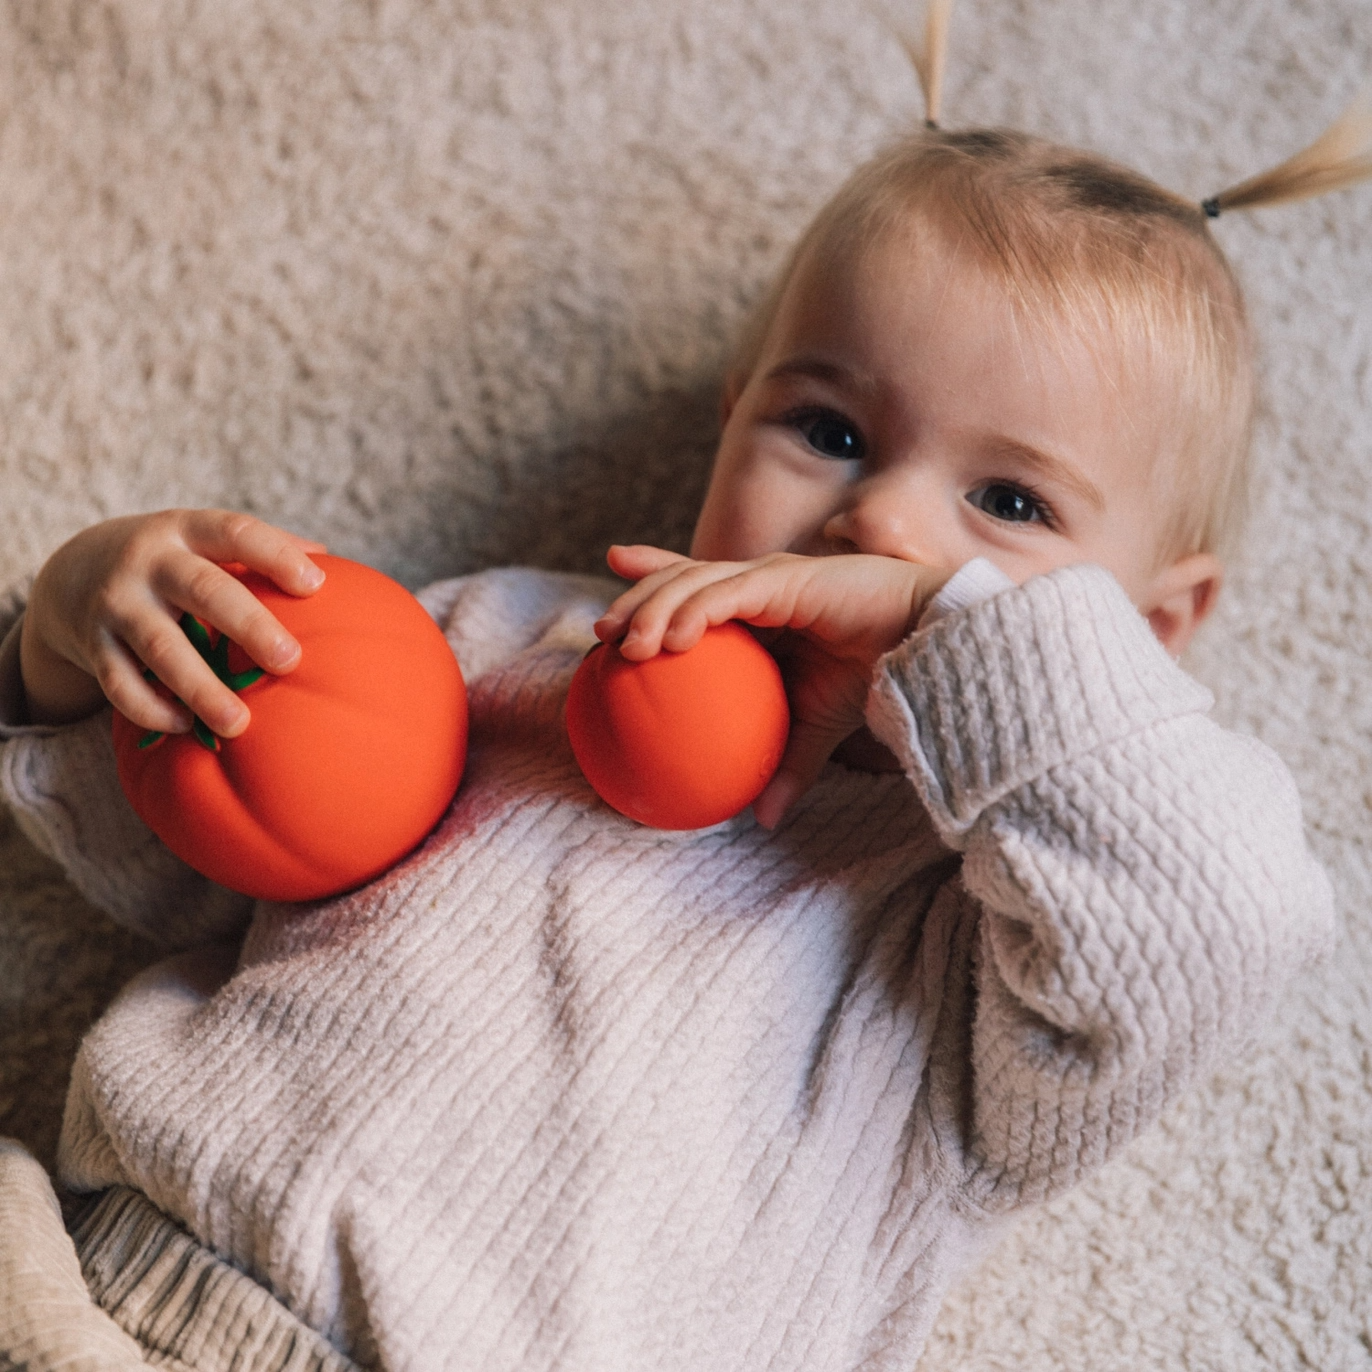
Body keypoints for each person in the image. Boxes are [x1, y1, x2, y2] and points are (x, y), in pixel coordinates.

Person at [0, 25, 1366, 1370]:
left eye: (1008, 503)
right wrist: (85, 638)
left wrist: (941, 631)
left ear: (1149, 629)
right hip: (109, 1277)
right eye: (829, 432)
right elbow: (178, 855)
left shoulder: (996, 945)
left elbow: (1224, 916)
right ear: (733, 419)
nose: (881, 520)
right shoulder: (505, 642)